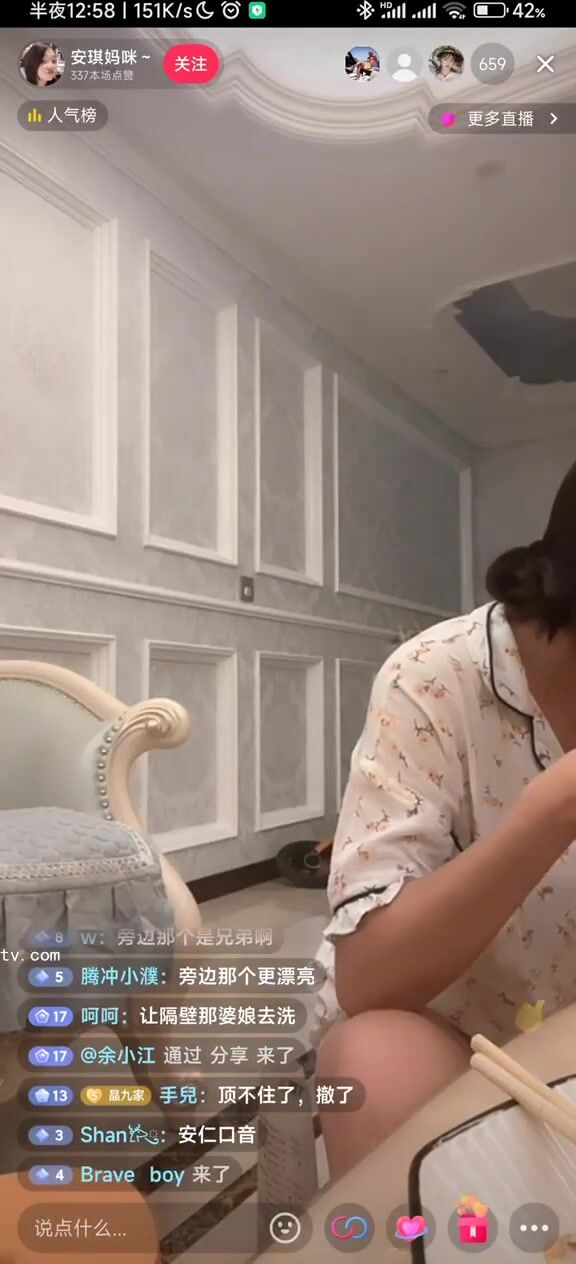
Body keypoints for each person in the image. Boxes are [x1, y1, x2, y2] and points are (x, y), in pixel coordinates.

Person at [316, 461, 576, 1179]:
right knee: (373, 1062)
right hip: (459, 1036)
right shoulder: (436, 675)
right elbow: (369, 981)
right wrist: (552, 811)